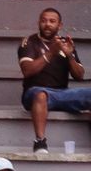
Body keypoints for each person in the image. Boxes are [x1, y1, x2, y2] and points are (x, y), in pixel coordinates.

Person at [18, 8, 89, 155]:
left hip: (62, 93)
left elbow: (79, 76)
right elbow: (27, 70)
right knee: (41, 94)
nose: (47, 24)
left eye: (52, 21)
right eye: (44, 21)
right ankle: (40, 141)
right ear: (39, 23)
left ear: (60, 25)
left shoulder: (65, 44)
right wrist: (51, 52)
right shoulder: (29, 42)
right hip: (34, 92)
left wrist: (69, 56)